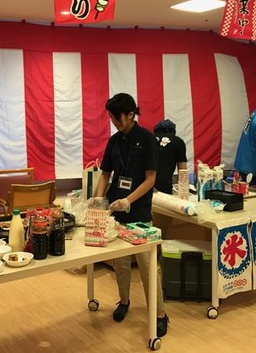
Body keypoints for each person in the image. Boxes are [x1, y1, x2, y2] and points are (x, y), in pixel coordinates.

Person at [95, 93, 169, 337]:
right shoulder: (114, 141)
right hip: (116, 210)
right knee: (121, 263)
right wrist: (98, 200)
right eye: (111, 118)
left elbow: (151, 179)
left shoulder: (147, 139)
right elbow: (105, 174)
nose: (115, 123)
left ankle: (160, 314)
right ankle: (124, 301)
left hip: (139, 211)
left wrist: (129, 200)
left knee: (147, 265)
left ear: (131, 114)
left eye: (118, 119)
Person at [153, 119, 187, 194]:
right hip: (164, 186)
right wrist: (184, 192)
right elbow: (182, 171)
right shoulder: (178, 141)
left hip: (143, 186)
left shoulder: (149, 138)